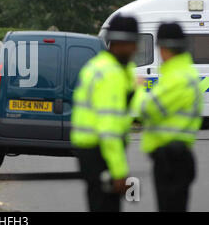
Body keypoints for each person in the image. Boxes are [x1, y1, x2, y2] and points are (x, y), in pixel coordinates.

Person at [131, 22, 203, 212]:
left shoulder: (176, 77)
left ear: (163, 48)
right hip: (177, 156)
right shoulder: (186, 73)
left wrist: (138, 89)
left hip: (171, 159)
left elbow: (147, 109)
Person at [70, 13, 139, 212]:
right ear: (119, 44)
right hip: (99, 151)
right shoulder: (111, 74)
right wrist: (119, 171)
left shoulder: (99, 66)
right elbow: (109, 130)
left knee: (98, 202)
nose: (135, 49)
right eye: (132, 43)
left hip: (88, 149)